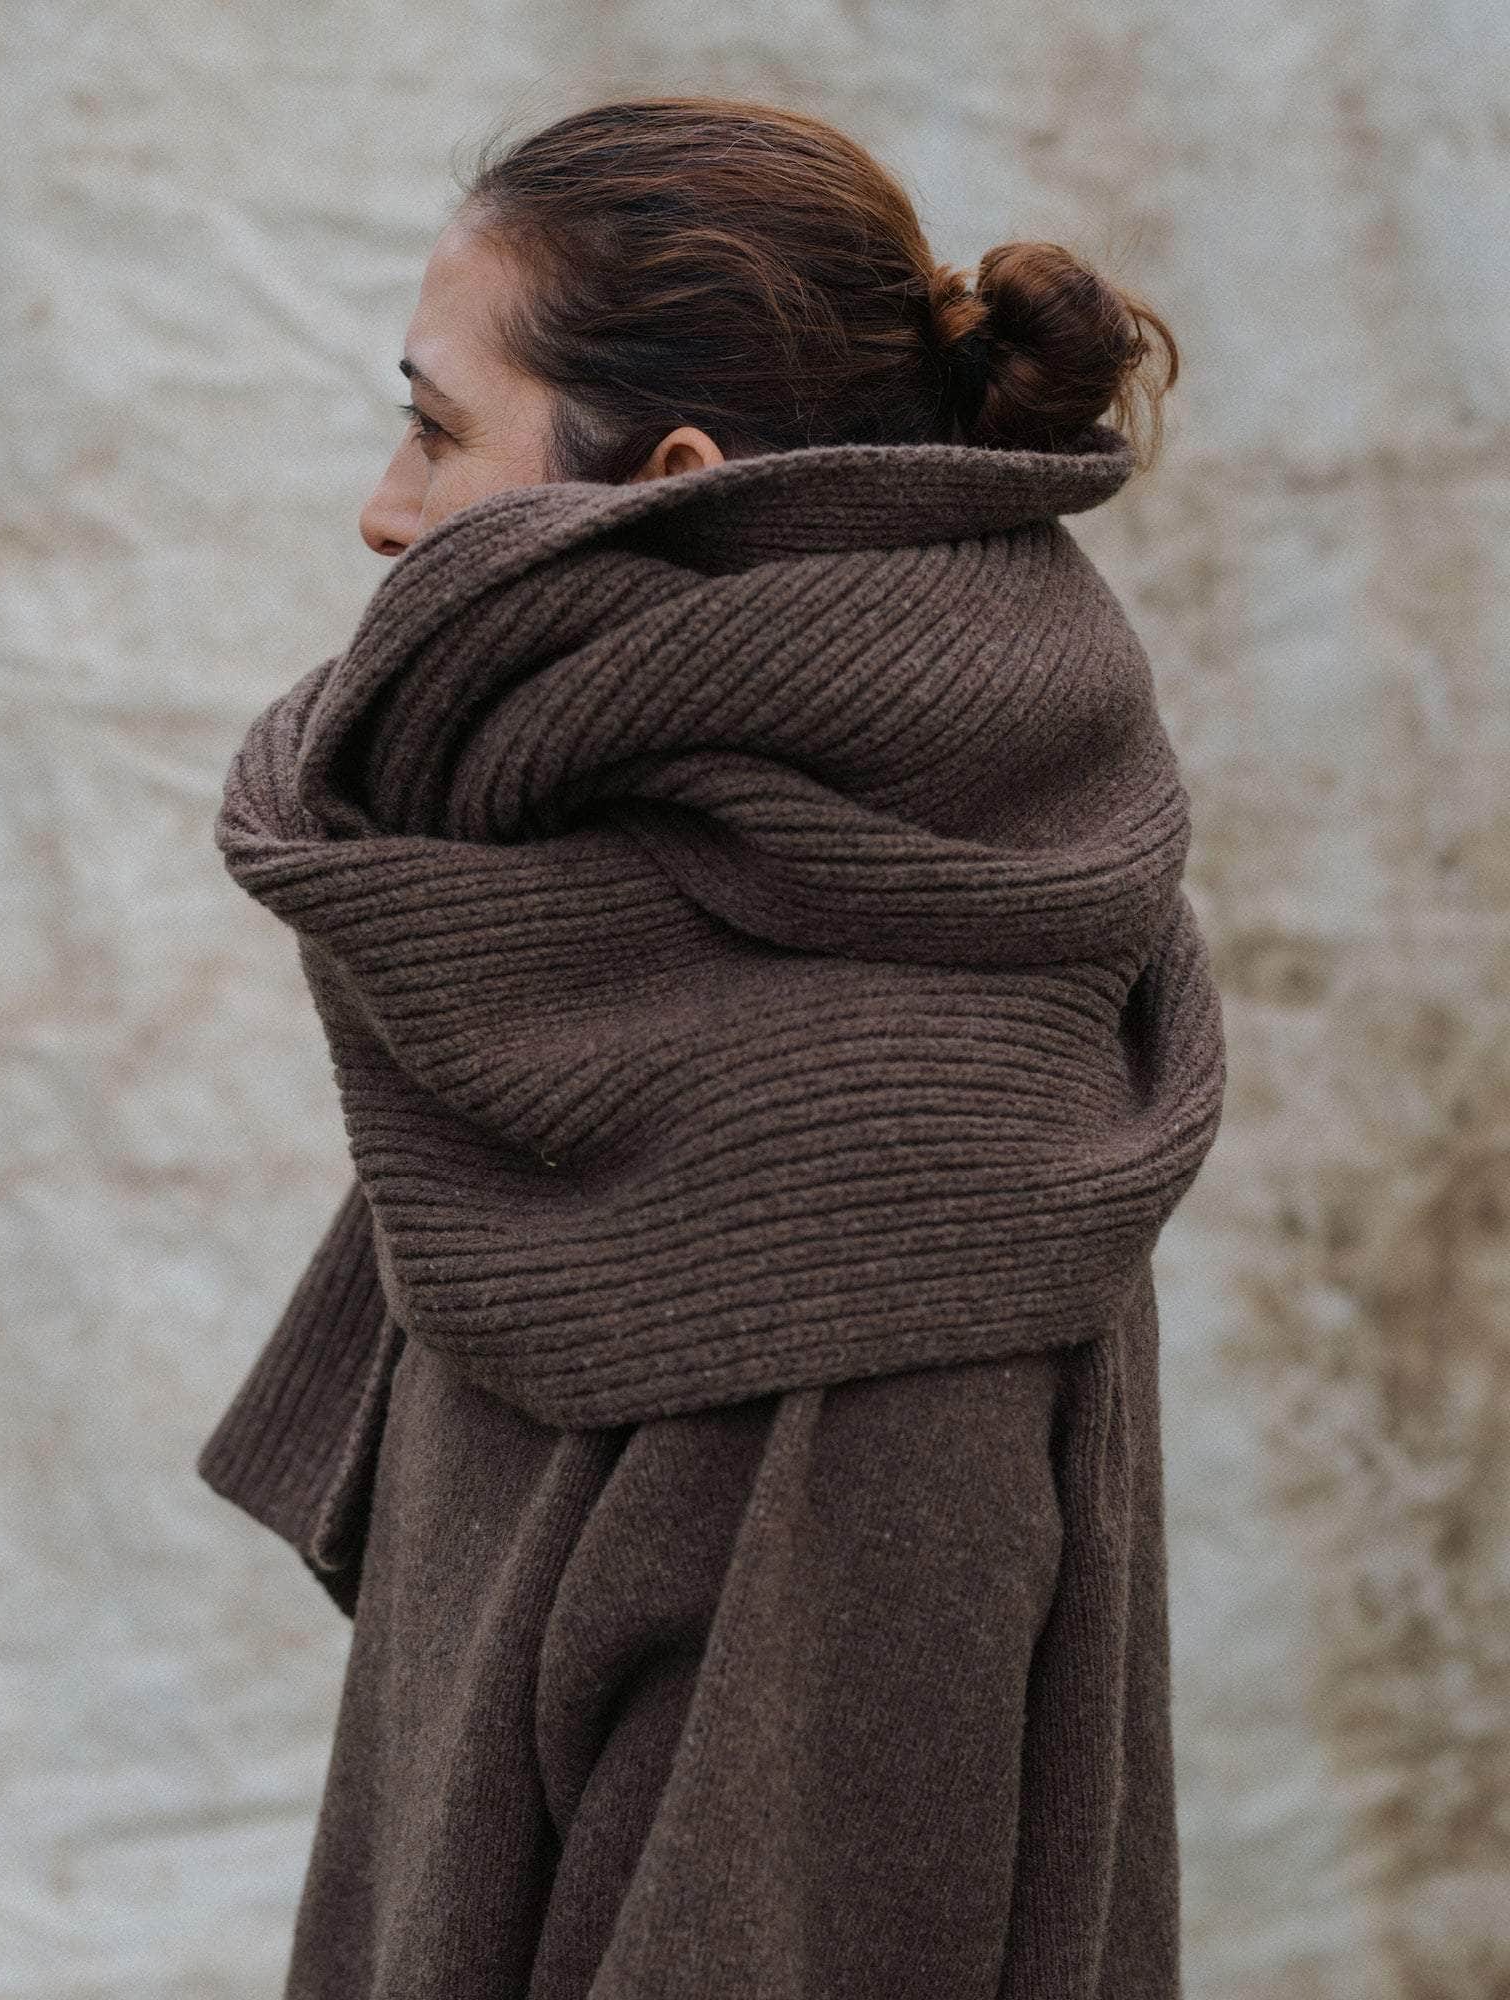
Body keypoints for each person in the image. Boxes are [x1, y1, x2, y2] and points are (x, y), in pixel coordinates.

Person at [197, 93, 1225, 2000]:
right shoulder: (601, 1008)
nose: (384, 509)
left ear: (669, 485)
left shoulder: (864, 1186)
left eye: (437, 426)